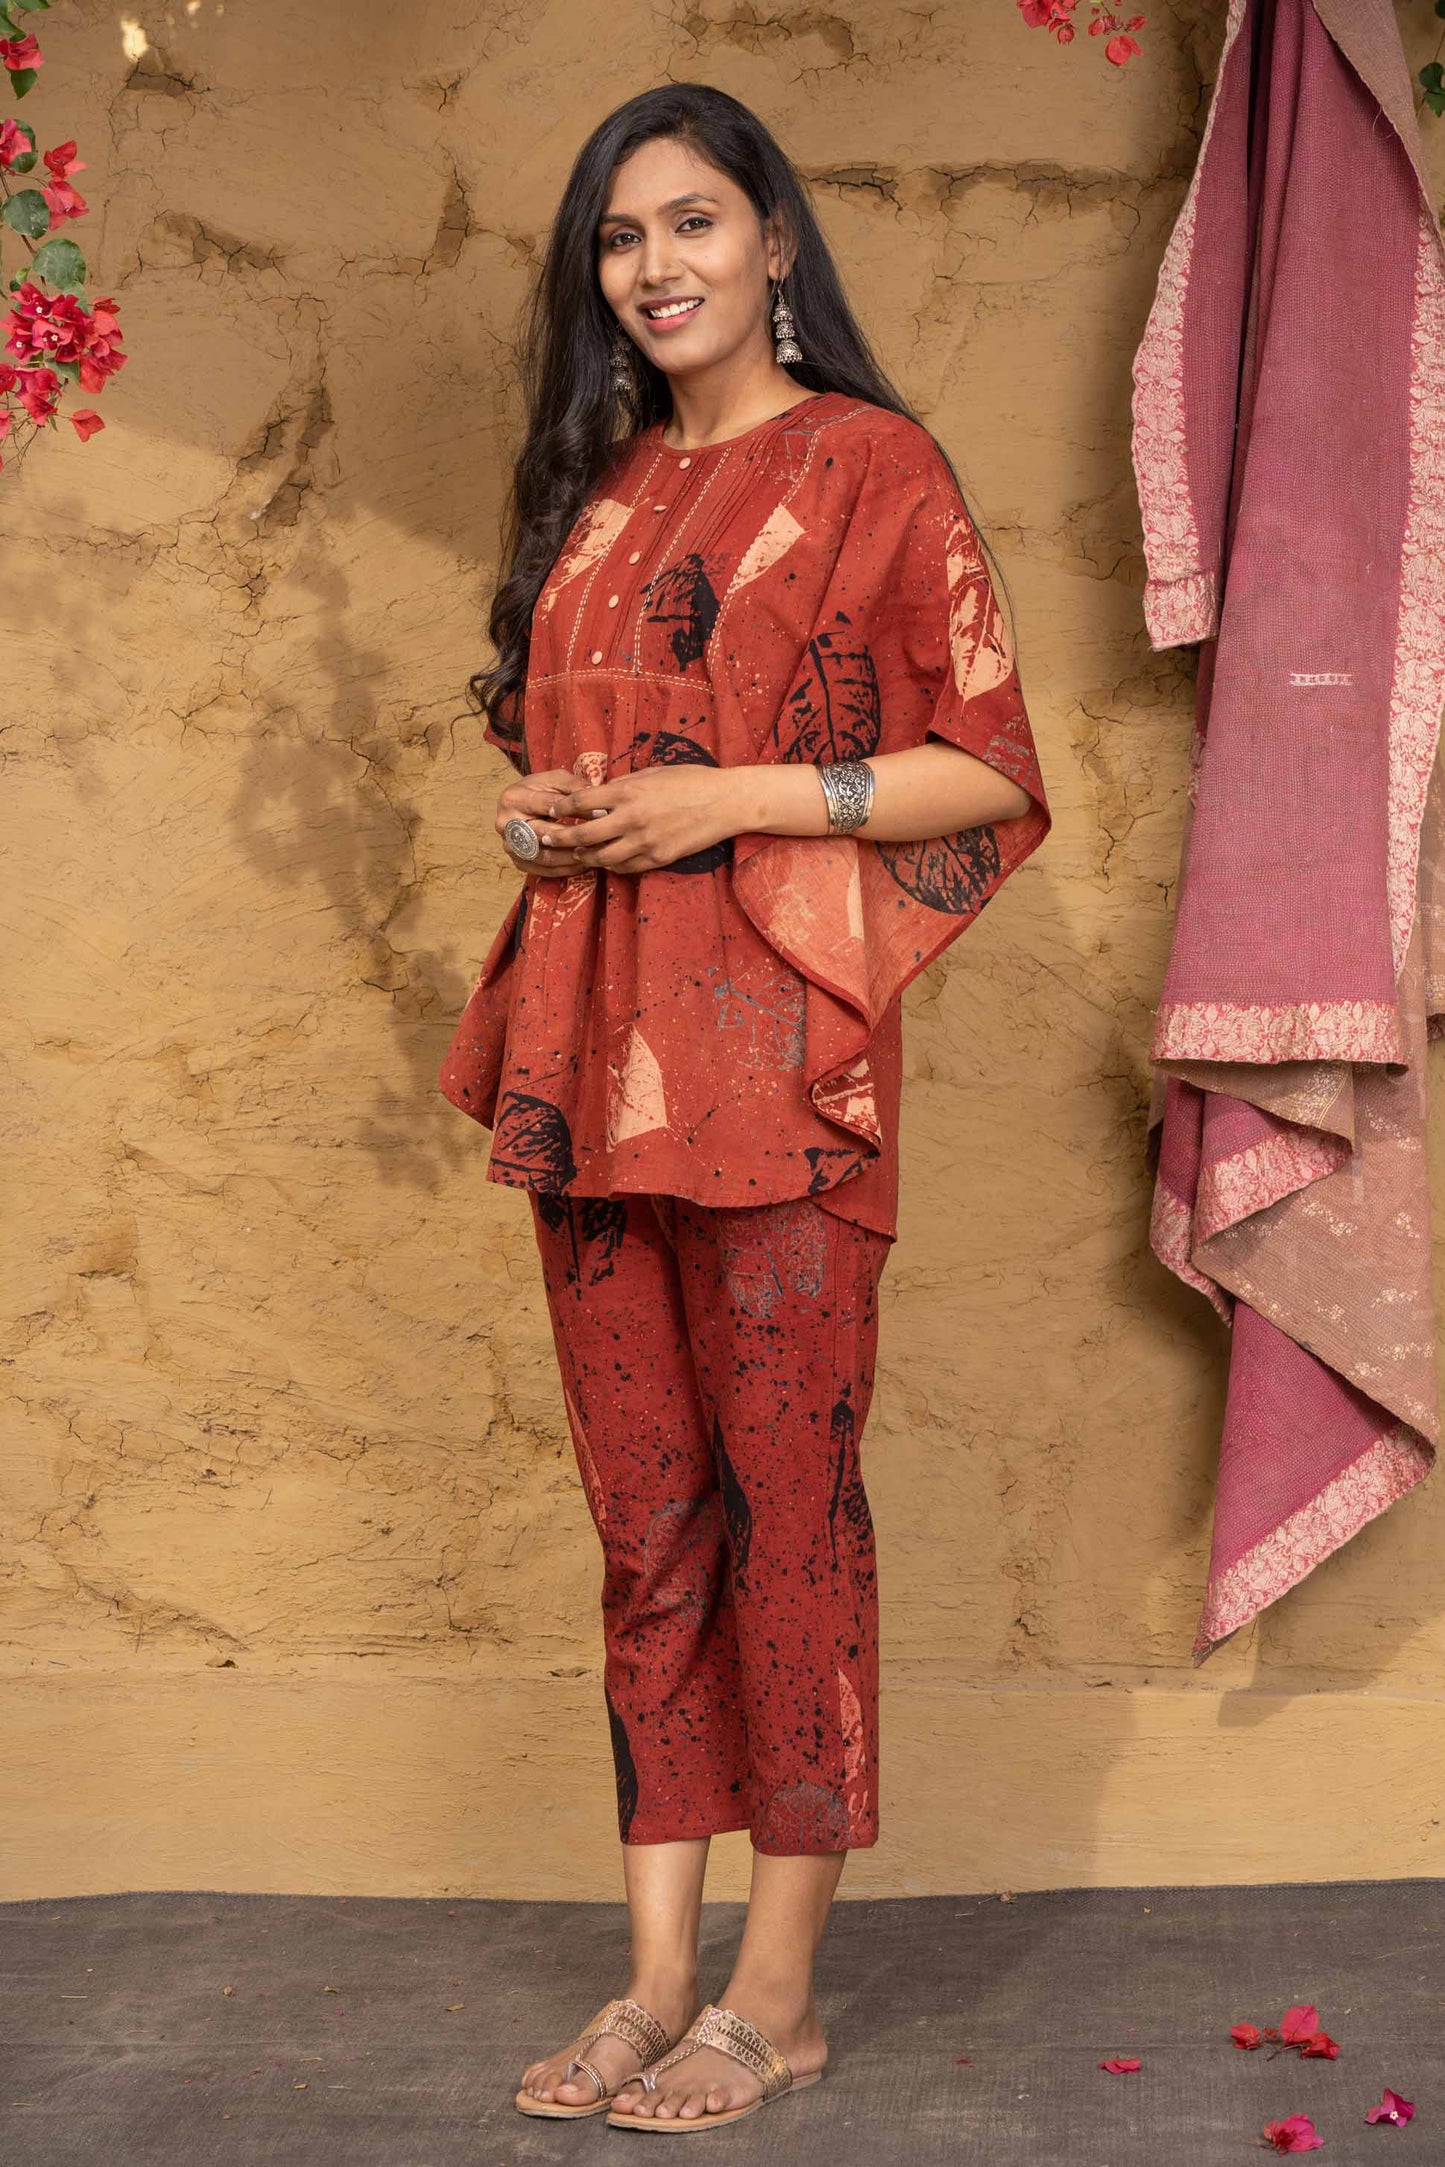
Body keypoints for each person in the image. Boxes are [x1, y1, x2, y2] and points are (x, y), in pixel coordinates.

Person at [438, 79, 1049, 2134]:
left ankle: (775, 1999)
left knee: (793, 1512)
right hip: (590, 1072)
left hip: (784, 1075)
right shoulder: (599, 491)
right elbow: (578, 756)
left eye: (692, 221)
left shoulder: (873, 467)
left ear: (775, 240)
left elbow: (987, 767)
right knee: (644, 1524)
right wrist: (561, 819)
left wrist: (729, 803)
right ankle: (652, 1980)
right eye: (620, 238)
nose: (655, 266)